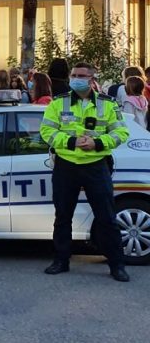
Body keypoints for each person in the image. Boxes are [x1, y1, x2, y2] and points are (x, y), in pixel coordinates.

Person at [39, 62, 130, 282]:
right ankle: (61, 261)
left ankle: (117, 265)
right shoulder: (58, 103)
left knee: (107, 218)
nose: (76, 78)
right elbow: (46, 131)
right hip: (66, 165)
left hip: (96, 165)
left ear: (91, 79)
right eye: (73, 75)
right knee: (63, 217)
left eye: (81, 75)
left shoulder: (108, 104)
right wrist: (72, 142)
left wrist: (97, 143)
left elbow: (121, 132)